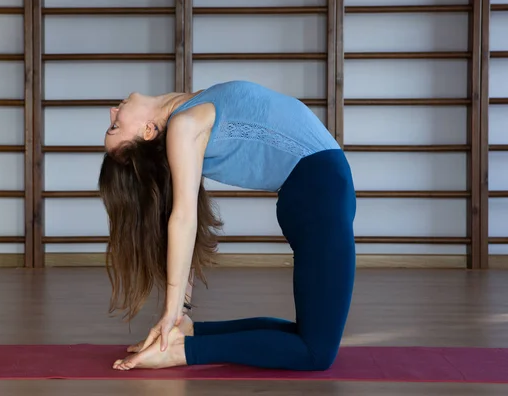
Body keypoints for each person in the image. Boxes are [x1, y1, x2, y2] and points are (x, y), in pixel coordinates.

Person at [98, 80, 356, 371]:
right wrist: (171, 313)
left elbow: (186, 217)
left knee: (310, 337)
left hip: (317, 193)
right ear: (148, 131)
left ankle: (190, 336)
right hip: (320, 195)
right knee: (315, 353)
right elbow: (183, 218)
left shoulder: (186, 111)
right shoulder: (184, 125)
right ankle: (183, 351)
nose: (112, 113)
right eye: (114, 127)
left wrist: (180, 315)